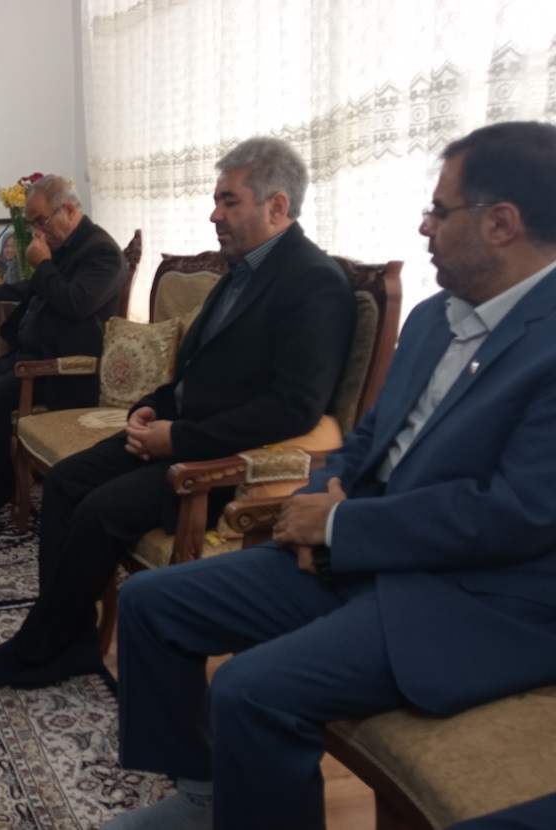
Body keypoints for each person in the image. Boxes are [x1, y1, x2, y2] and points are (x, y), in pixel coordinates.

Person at [105, 121, 556, 830]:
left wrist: (343, 525)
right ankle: (204, 797)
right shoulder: (435, 318)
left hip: (472, 596)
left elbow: (516, 512)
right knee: (151, 604)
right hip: (364, 556)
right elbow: (367, 437)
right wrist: (322, 497)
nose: (424, 225)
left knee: (248, 689)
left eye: (439, 210)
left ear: (501, 223)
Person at [0, 137, 355, 690]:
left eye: (228, 201)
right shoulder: (241, 272)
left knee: (99, 509)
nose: (214, 214)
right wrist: (151, 407)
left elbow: (292, 409)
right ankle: (70, 641)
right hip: (176, 434)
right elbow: (197, 371)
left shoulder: (314, 282)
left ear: (277, 206)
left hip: (220, 461)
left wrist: (180, 438)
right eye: (215, 200)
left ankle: (40, 646)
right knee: (68, 481)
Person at [0, 175, 125, 522]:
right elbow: (36, 287)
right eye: (32, 223)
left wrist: (44, 265)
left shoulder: (102, 252)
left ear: (69, 210)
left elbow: (75, 302)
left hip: (62, 366)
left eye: (41, 221)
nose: (37, 231)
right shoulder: (65, 243)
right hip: (31, 352)